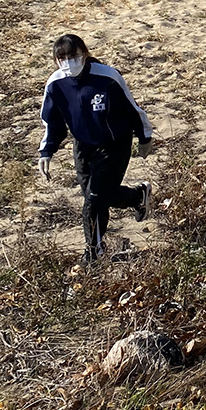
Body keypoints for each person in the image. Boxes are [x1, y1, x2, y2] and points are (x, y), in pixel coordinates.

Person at [37, 34, 154, 267]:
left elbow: (133, 110)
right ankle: (137, 196)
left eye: (73, 56)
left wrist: (144, 138)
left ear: (85, 53)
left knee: (94, 199)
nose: (69, 62)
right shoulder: (56, 84)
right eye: (62, 58)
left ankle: (93, 252)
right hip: (82, 145)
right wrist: (46, 151)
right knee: (95, 196)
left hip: (114, 144)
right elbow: (53, 123)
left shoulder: (107, 77)